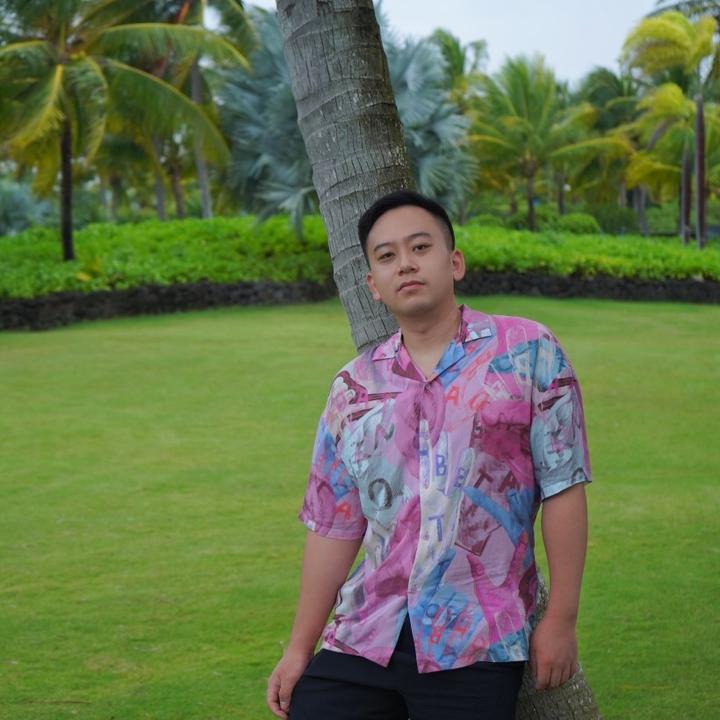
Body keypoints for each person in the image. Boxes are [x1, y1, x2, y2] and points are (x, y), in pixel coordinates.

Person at [266, 190, 592, 720]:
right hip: (364, 635)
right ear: (374, 285)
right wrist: (299, 648)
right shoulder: (353, 389)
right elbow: (334, 525)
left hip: (474, 641)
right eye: (387, 256)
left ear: (454, 262)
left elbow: (564, 486)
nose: (406, 263)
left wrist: (562, 619)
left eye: (420, 247)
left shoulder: (527, 351)